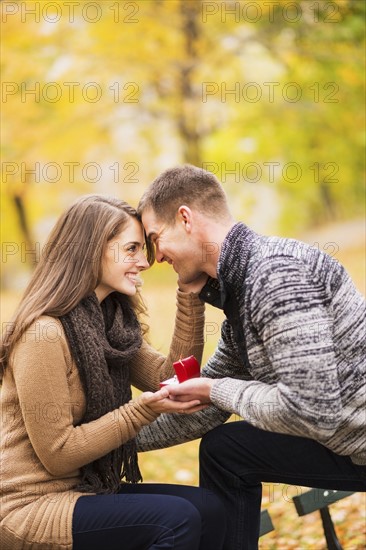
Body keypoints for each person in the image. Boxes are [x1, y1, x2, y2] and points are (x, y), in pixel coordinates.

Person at [136, 164, 366, 550]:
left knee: (226, 450)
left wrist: (216, 389)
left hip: (354, 439)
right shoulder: (242, 296)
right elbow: (205, 406)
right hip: (345, 440)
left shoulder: (274, 275)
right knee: (225, 450)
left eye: (156, 239)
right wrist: (108, 441)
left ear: (186, 219)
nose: (156, 256)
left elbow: (313, 410)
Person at [0, 194, 228, 550]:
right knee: (176, 520)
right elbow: (57, 454)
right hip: (30, 506)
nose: (144, 261)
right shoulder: (42, 334)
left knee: (212, 509)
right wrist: (143, 411)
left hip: (84, 490)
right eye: (132, 249)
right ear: (92, 250)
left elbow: (169, 377)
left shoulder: (109, 325)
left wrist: (189, 294)